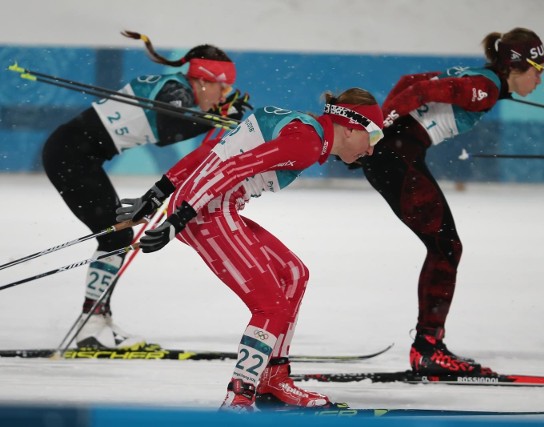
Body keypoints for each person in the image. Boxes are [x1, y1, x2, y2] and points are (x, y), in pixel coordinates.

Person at [115, 88, 384, 410]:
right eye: (374, 137)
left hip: (206, 206)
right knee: (271, 307)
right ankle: (238, 398)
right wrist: (180, 217)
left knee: (294, 274)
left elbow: (215, 150)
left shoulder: (301, 127)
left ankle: (274, 378)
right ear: (352, 127)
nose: (371, 149)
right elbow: (231, 169)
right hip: (206, 212)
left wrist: (158, 193)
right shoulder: (306, 143)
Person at [42, 30, 252, 349]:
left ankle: (95, 321)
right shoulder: (175, 91)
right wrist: (215, 119)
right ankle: (92, 326)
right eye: (222, 88)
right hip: (71, 156)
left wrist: (215, 117)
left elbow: (179, 125)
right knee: (117, 236)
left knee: (117, 235)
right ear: (204, 80)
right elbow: (168, 132)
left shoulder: (177, 91)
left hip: (76, 156)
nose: (223, 96)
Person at [357, 27, 544, 376]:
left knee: (445, 246)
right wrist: (377, 131)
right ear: (518, 67)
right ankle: (428, 349)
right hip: (396, 158)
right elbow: (419, 90)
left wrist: (378, 132)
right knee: (446, 247)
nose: (540, 81)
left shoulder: (484, 82)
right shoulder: (485, 87)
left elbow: (408, 80)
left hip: (396, 156)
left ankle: (429, 345)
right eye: (539, 71)